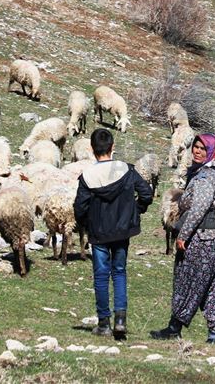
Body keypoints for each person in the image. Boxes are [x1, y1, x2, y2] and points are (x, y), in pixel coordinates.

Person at [150, 133, 215, 344]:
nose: (197, 151)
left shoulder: (206, 177)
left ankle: (174, 328)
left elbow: (199, 208)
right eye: (195, 147)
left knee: (186, 281)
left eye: (202, 149)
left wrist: (183, 235)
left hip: (203, 241)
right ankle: (214, 335)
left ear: (212, 152)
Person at [74, 128, 153, 340]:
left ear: (92, 149)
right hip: (122, 230)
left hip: (99, 231)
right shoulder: (127, 170)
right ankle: (120, 320)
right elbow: (146, 193)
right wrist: (136, 209)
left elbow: (80, 207)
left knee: (101, 275)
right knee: (119, 271)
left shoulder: (88, 177)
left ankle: (103, 323)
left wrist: (85, 225)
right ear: (113, 147)